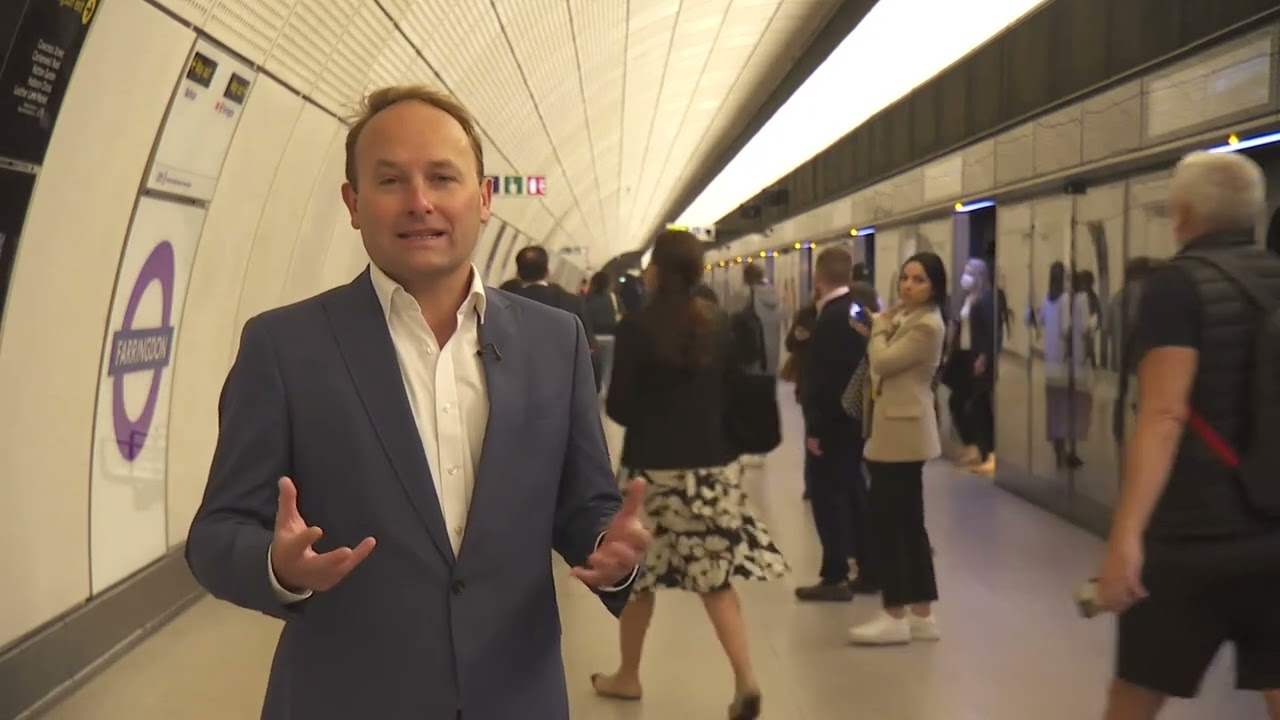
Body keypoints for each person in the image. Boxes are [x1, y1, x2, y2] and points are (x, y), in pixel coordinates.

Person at [185, 84, 651, 720]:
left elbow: (585, 505)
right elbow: (216, 534)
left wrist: (608, 548)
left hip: (516, 696)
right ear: (352, 204)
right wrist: (278, 566)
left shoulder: (554, 342)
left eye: (442, 177)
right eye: (390, 181)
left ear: (484, 199)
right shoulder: (285, 348)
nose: (420, 203)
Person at [1099, 151, 1280, 719]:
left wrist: (1126, 536)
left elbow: (1164, 415)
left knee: (1136, 693)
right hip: (1275, 529)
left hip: (1191, 539)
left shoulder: (1175, 286)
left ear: (1180, 214)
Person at [592, 230, 787, 720]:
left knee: (637, 579)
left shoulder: (637, 326)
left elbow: (618, 406)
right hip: (710, 472)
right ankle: (745, 679)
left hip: (649, 476)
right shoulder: (719, 326)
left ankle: (628, 675)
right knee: (715, 580)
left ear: (655, 271)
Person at [847, 252, 947, 645]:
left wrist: (877, 332)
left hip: (903, 436)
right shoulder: (907, 319)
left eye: (918, 280)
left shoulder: (927, 326)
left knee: (890, 525)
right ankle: (922, 613)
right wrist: (879, 327)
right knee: (908, 524)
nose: (908, 286)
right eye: (905, 278)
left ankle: (894, 613)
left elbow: (884, 362)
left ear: (935, 286)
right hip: (896, 431)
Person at [795, 247, 879, 602]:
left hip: (832, 424)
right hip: (856, 419)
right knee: (854, 491)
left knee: (827, 495)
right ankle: (869, 565)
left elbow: (825, 382)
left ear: (818, 277)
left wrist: (816, 429)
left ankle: (835, 575)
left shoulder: (829, 318)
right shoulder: (859, 311)